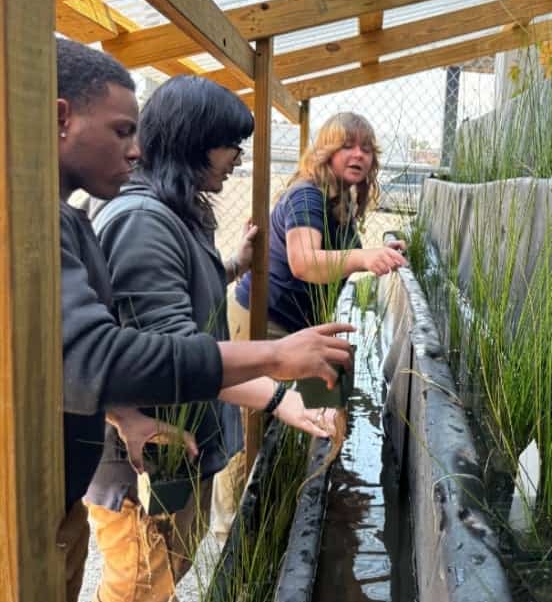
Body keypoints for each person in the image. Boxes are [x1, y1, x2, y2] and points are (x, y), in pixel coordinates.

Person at [55, 38, 351, 602]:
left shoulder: (172, 215)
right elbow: (153, 351)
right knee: (143, 583)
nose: (237, 157)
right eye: (229, 145)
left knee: (163, 572)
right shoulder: (143, 221)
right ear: (194, 144)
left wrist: (230, 263)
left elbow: (157, 305)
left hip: (172, 448)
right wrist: (277, 386)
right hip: (152, 467)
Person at [232, 112, 407, 338]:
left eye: (366, 149)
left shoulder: (339, 199)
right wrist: (363, 257)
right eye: (347, 146)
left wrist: (379, 255)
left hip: (295, 325)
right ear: (327, 151)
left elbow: (338, 256)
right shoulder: (307, 195)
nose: (359, 154)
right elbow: (304, 263)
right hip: (265, 323)